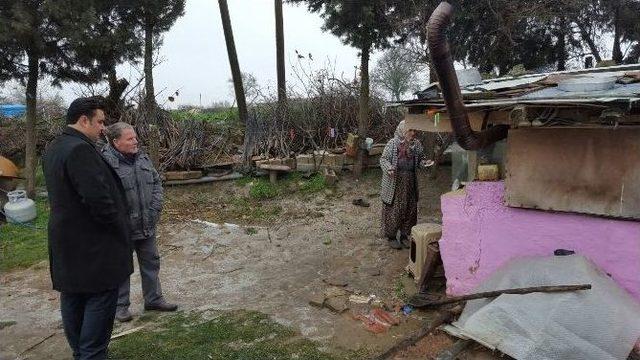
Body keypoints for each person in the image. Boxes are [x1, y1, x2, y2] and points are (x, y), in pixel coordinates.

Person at [42, 97, 132, 360]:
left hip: (67, 245)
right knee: (99, 301)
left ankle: (81, 352)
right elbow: (99, 201)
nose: (103, 128)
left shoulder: (55, 147)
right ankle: (90, 354)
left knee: (73, 297)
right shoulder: (80, 150)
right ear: (84, 120)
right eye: (100, 122)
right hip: (93, 247)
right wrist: (119, 228)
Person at [101, 122, 177, 322]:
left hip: (147, 223)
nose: (136, 141)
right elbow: (103, 197)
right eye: (130, 138)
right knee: (121, 267)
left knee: (151, 262)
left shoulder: (142, 157)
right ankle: (120, 307)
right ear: (116, 142)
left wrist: (155, 208)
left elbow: (157, 183)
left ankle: (153, 299)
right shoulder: (104, 163)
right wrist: (118, 221)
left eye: (135, 137)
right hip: (122, 229)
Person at [379, 121, 432, 250]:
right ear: (403, 130)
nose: (413, 133)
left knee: (410, 208)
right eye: (410, 130)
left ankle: (404, 236)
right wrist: (389, 168)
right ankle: (391, 237)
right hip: (395, 181)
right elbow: (383, 159)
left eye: (415, 131)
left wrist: (425, 163)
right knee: (395, 209)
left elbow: (420, 160)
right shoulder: (393, 143)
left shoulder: (417, 145)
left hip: (410, 181)